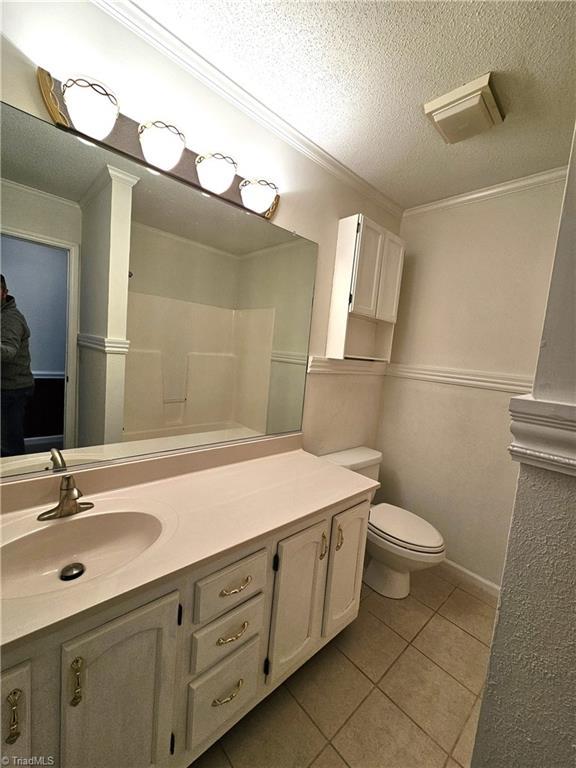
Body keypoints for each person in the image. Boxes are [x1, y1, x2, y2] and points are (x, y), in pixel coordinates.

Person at [1, 274, 34, 456]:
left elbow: (8, 352)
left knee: (8, 445)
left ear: (5, 292)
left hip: (11, 390)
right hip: (12, 387)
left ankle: (14, 482)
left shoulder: (9, 318)